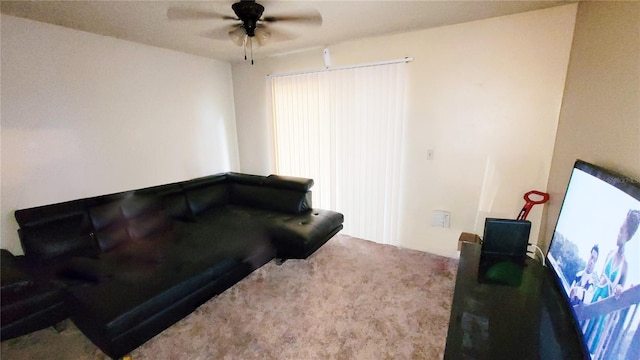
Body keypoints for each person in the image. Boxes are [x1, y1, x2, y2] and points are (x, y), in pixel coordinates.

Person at [586, 209, 640, 356]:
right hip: (592, 305)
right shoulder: (609, 254)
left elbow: (620, 290)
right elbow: (600, 282)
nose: (618, 233)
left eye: (622, 231)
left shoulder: (625, 265)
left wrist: (620, 289)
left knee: (587, 349)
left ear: (628, 235)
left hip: (601, 315)